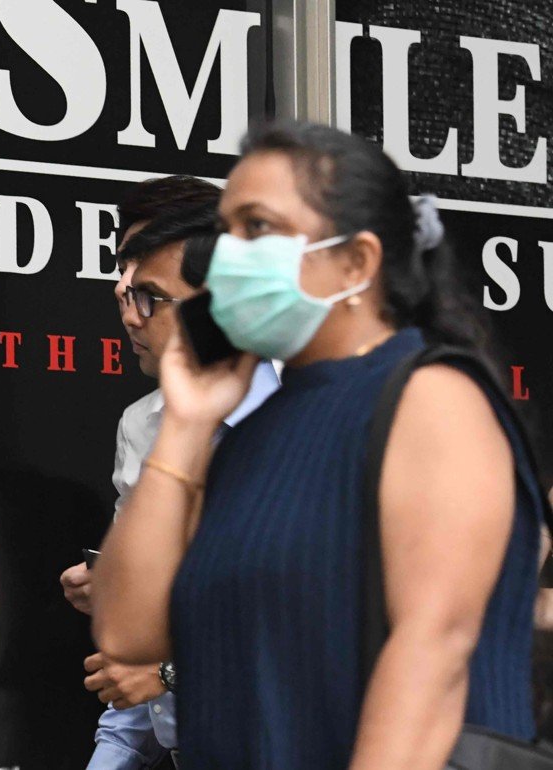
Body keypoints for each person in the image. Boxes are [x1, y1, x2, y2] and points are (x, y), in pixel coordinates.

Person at [92, 121, 545, 769]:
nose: (228, 257)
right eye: (226, 232)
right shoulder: (253, 426)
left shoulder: (432, 397)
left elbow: (433, 651)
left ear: (355, 262)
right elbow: (127, 631)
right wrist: (187, 424)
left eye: (258, 228)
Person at [69, 188, 279, 770]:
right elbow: (132, 661)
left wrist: (166, 668)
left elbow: (316, 631)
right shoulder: (144, 425)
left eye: (150, 296)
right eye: (125, 281)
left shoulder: (303, 424)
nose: (129, 311)